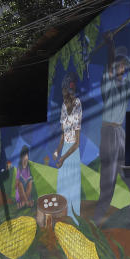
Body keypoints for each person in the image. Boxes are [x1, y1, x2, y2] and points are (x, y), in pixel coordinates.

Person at [94, 14, 130, 224]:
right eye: (118, 65)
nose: (121, 68)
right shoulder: (107, 84)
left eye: (124, 66)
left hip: (121, 133)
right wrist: (110, 44)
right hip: (108, 133)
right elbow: (108, 67)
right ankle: (98, 221)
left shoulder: (126, 86)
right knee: (108, 183)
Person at [53, 74, 82, 223]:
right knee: (63, 186)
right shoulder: (63, 107)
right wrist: (58, 151)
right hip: (65, 150)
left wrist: (63, 158)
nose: (64, 97)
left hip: (72, 153)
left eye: (65, 93)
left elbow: (76, 143)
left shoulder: (77, 105)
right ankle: (60, 221)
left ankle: (73, 221)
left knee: (72, 188)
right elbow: (63, 136)